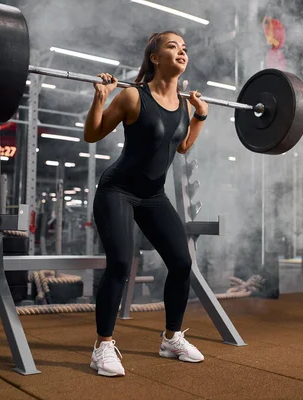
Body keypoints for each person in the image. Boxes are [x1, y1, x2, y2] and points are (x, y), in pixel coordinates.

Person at [83, 31, 209, 377]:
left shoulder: (184, 103)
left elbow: (181, 147)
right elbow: (92, 134)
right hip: (117, 190)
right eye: (173, 46)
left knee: (182, 262)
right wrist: (99, 98)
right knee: (121, 263)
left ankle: (171, 338)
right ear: (155, 58)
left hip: (153, 196)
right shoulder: (132, 96)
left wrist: (199, 116)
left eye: (185, 47)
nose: (182, 51)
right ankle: (102, 346)